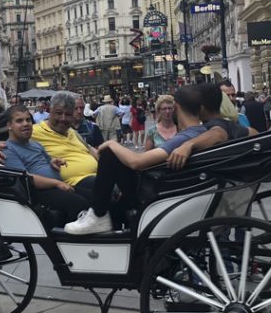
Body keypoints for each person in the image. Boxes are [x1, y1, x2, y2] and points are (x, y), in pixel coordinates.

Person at [64, 83, 246, 235]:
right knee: (117, 202)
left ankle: (97, 214)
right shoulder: (202, 132)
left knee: (111, 155)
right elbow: (227, 131)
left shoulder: (186, 137)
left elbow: (137, 162)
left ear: (176, 108)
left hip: (160, 193)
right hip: (179, 188)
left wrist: (112, 145)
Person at [0, 91, 98, 199]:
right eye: (59, 113)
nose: (63, 118)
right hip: (69, 183)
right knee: (103, 191)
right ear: (50, 111)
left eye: (68, 114)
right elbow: (13, 139)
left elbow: (90, 149)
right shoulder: (33, 131)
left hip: (90, 177)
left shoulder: (73, 132)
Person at [0, 105, 90, 222]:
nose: (26, 124)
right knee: (79, 203)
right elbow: (25, 178)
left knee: (96, 196)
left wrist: (54, 161)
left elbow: (48, 162)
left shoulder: (35, 144)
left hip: (58, 186)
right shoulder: (7, 149)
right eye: (19, 121)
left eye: (28, 120)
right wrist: (57, 183)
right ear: (9, 126)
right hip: (39, 192)